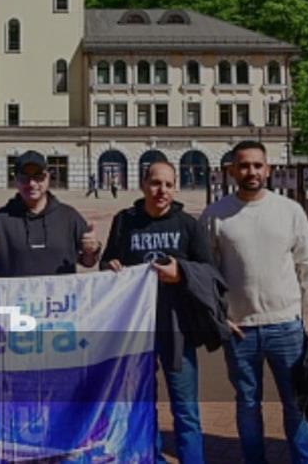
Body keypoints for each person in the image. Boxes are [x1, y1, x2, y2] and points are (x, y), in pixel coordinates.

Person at [198, 140, 308, 464]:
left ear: (268, 169)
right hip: (240, 329)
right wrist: (218, 317)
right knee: (247, 405)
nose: (251, 171)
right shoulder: (215, 215)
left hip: (286, 327)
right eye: (244, 165)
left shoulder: (290, 211)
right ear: (232, 170)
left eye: (257, 165)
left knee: (296, 404)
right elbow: (205, 273)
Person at [101, 160, 213, 464]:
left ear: (174, 188)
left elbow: (208, 271)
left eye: (168, 184)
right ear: (143, 185)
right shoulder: (125, 221)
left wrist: (181, 273)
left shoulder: (188, 225)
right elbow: (107, 261)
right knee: (141, 406)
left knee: (185, 409)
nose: (161, 190)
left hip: (177, 328)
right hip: (136, 330)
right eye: (155, 183)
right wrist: (109, 265)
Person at [0, 150, 99, 277]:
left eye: (39, 177)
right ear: (16, 180)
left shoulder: (69, 217)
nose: (32, 183)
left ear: (48, 178)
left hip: (59, 290)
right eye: (24, 178)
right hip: (16, 290)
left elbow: (89, 262)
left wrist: (91, 251)